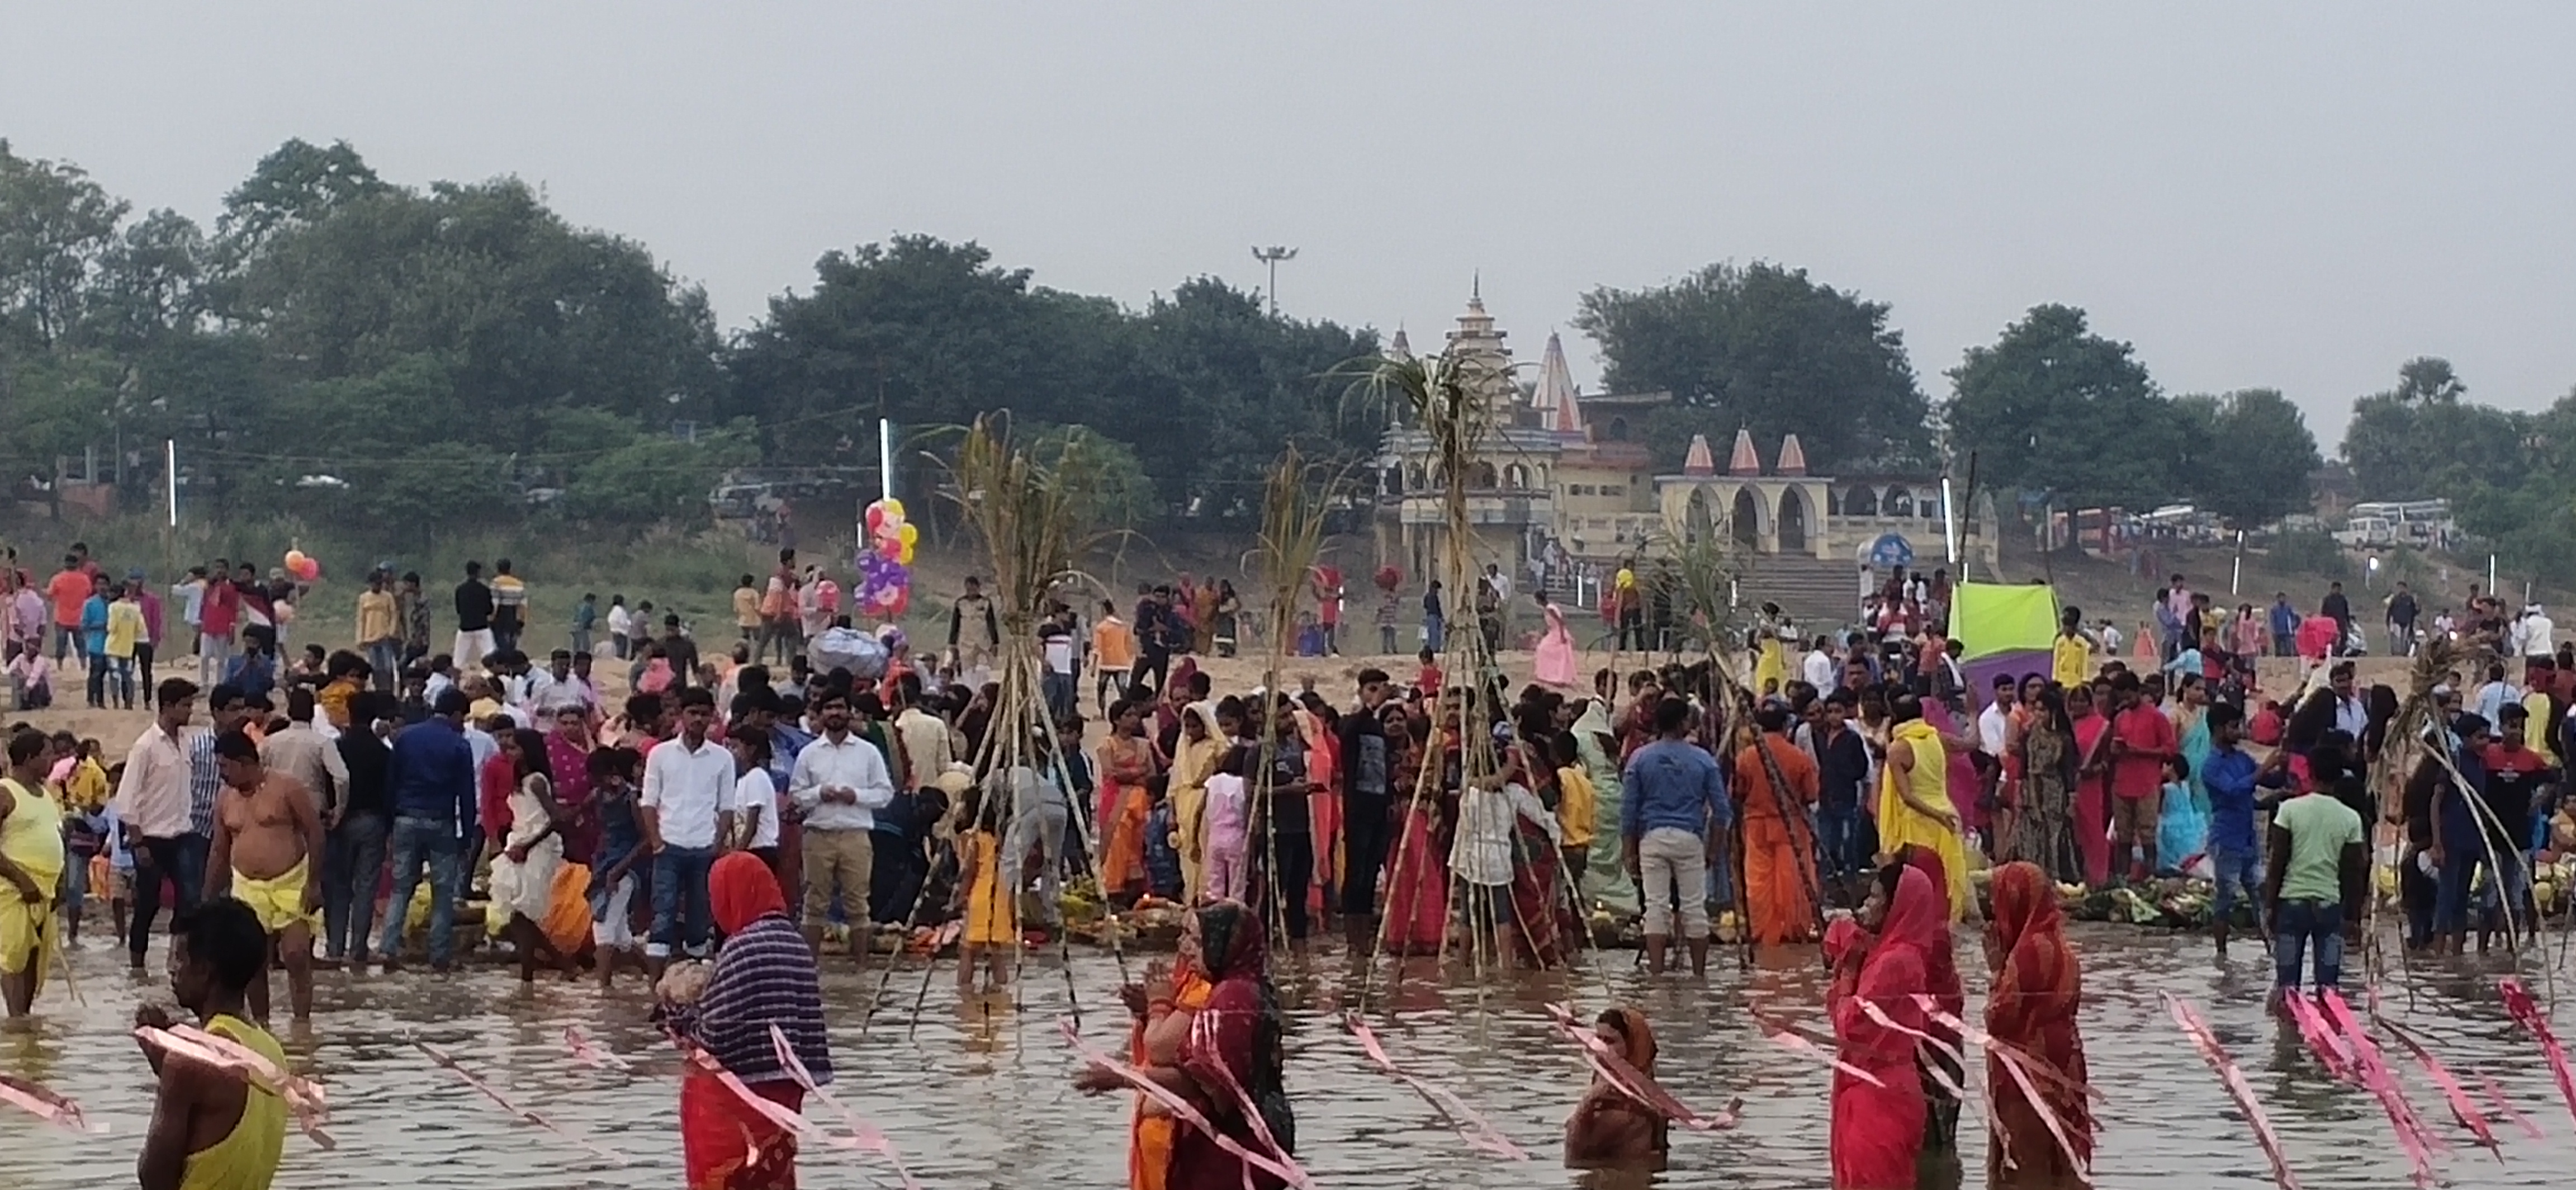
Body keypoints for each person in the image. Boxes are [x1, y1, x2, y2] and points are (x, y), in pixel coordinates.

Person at [1074, 899, 1294, 1190]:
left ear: (1222, 945)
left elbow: (1204, 1081)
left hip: (1240, 1148)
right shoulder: (1240, 987)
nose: (1185, 947)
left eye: (1197, 940)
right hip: (1250, 1139)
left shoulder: (1232, 997)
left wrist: (1123, 1076)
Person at [675, 852, 831, 1190]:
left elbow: (713, 1035)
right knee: (771, 1175)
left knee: (730, 1175)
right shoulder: (797, 945)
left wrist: (678, 1021)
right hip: (784, 1095)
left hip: (738, 1099)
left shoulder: (741, 948)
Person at [133, 898, 287, 1190]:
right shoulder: (271, 1050)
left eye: (180, 959)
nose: (173, 970)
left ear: (204, 970)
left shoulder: (187, 1064)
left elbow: (154, 1178)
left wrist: (169, 1070)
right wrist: (166, 1066)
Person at [202, 729, 324, 1023]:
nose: (222, 774)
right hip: (246, 887)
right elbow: (219, 850)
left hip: (291, 882)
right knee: (253, 962)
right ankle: (262, 1025)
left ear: (245, 763)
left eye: (225, 767)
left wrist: (315, 883)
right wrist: (206, 900)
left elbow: (315, 831)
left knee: (295, 955)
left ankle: (302, 1026)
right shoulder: (225, 799)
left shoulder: (287, 787)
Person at [1982, 860, 2094, 1184]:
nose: (1994, 909)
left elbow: (1998, 1019)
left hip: (2027, 1078)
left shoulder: (2027, 954)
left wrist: (1995, 971)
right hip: (2066, 1068)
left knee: (2027, 1169)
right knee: (2061, 1165)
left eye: (1998, 899)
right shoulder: (2064, 949)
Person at [1828, 861, 1937, 1189]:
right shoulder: (1889, 955)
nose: (1866, 907)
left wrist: (1848, 974)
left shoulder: (1896, 961)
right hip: (1874, 1087)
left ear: (1897, 906)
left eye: (1875, 898)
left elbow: (1850, 1024)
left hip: (1879, 1097)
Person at [1620, 696, 1728, 976]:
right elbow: (1722, 812)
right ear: (1684, 723)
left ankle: (1656, 973)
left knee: (1655, 906)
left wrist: (1627, 850)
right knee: (1694, 907)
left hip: (1652, 838)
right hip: (1689, 838)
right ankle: (1699, 975)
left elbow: (1628, 810)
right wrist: (1713, 851)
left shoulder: (1640, 758)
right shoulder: (1703, 759)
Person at [379, 688, 477, 973]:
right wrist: (467, 836)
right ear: (457, 714)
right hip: (441, 822)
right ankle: (439, 956)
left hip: (405, 819)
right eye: (464, 717)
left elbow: (391, 784)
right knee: (443, 892)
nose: (464, 723)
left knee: (401, 889)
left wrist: (390, 824)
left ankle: (388, 948)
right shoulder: (459, 745)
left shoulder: (406, 737)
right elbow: (466, 795)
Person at [2265, 742, 2369, 998]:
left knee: (2287, 988)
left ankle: (2287, 1035)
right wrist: (2353, 916)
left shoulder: (2289, 809)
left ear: (2309, 773)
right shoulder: (2350, 818)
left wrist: (2270, 906)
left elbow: (2277, 861)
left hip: (2292, 902)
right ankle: (2328, 1032)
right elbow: (2352, 872)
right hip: (2329, 905)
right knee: (2329, 989)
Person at [1736, 705, 1821, 945]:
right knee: (1792, 878)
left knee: (1759, 881)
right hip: (1791, 826)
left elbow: (1738, 791)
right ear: (1786, 726)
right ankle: (1792, 929)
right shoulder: (1799, 757)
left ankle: (1764, 931)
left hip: (1756, 827)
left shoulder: (1746, 757)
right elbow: (1811, 796)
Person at [1878, 693, 1968, 920]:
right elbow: (1972, 743)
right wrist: (1974, 714)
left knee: (1919, 886)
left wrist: (1937, 816)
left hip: (1918, 825)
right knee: (1943, 884)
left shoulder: (1898, 749)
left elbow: (1907, 797)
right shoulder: (1938, 738)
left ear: (1894, 716)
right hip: (1946, 816)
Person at [0, 729, 63, 1017]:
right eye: (47, 754)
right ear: (28, 758)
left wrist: (58, 880)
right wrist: (21, 879)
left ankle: (24, 1026)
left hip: (44, 893)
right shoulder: (6, 791)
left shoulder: (46, 794)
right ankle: (15, 1022)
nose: (53, 760)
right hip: (14, 891)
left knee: (34, 961)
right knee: (12, 959)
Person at [1564, 1005, 1668, 1170]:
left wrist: (1586, 1106)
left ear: (1634, 1046)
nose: (1601, 1048)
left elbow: (1574, 1158)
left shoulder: (1632, 1109)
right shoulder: (1606, 1087)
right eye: (1599, 1039)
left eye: (1610, 1041)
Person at [2199, 705, 2263, 956]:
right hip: (2226, 839)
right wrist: (2265, 769)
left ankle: (2273, 953)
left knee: (2260, 898)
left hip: (2248, 838)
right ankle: (2221, 954)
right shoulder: (2211, 765)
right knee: (2225, 899)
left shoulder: (2242, 758)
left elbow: (2268, 779)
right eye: (2234, 726)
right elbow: (2235, 789)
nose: (2239, 731)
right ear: (2218, 729)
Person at [452, 561, 495, 672]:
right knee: (489, 656)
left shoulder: (460, 590)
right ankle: (491, 678)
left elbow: (458, 610)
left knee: (459, 660)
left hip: (465, 627)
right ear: (478, 573)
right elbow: (490, 610)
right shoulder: (484, 589)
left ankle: (456, 680)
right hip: (482, 626)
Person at [1533, 591, 1576, 687]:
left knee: (1547, 651)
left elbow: (1560, 622)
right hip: (1553, 632)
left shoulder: (1550, 609)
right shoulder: (1547, 609)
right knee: (1543, 649)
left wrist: (1562, 636)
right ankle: (1549, 673)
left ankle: (1556, 675)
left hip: (1558, 633)